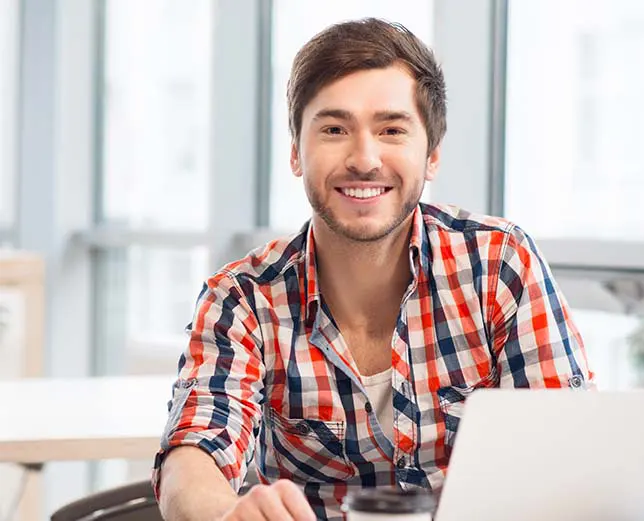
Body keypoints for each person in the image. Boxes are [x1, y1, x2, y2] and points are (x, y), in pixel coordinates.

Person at [154, 18, 595, 521]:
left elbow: (565, 450)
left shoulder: (498, 265)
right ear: (297, 152)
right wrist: (223, 514)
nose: (364, 159)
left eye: (391, 130)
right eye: (334, 129)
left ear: (431, 155)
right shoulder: (243, 299)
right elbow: (194, 456)